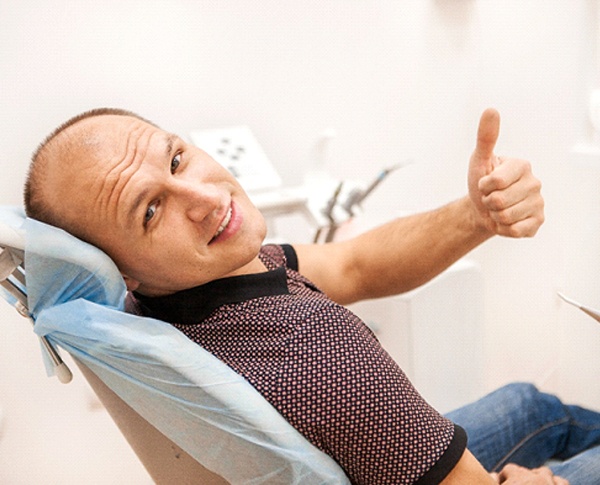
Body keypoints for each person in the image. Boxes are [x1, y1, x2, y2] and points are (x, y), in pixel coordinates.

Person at [22, 107, 600, 484]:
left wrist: (477, 215)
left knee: (529, 405)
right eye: (150, 211)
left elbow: (353, 263)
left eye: (177, 158)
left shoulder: (172, 302)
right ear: (120, 269)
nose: (201, 195)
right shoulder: (318, 351)